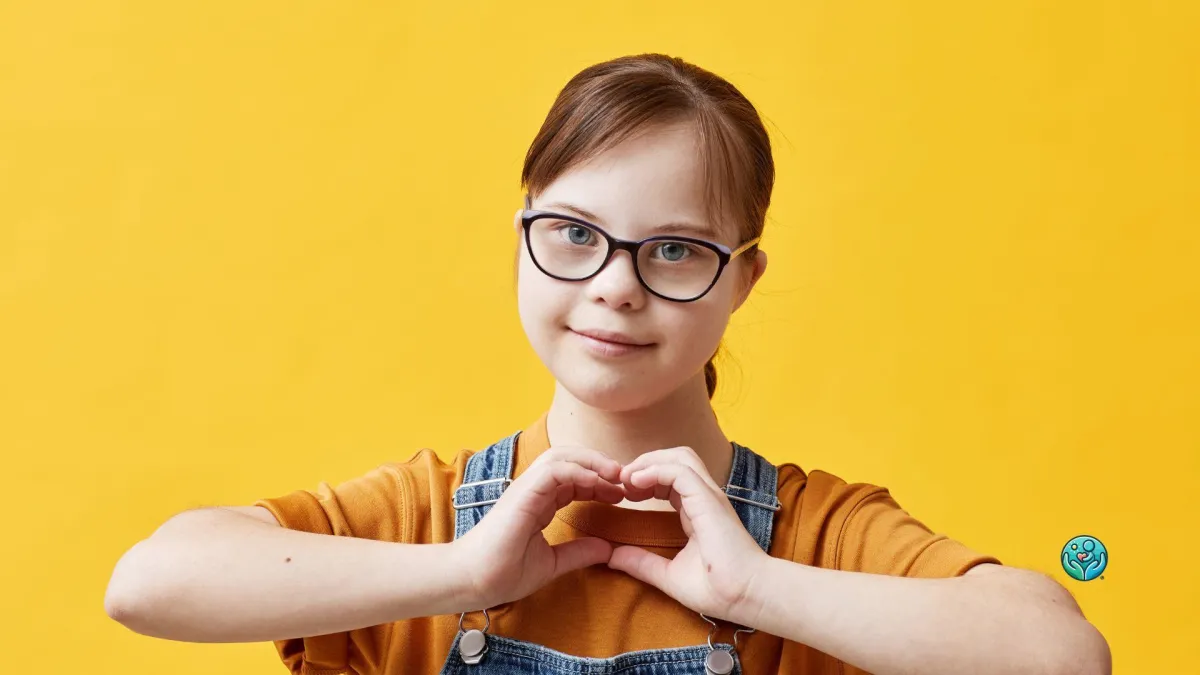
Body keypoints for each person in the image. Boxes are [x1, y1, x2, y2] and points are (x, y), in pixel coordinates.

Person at [105, 53, 1111, 675]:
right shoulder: (426, 516)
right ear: (523, 239)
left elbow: (1063, 657)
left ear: (743, 279)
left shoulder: (819, 536)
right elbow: (148, 584)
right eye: (576, 235)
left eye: (675, 249)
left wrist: (759, 592)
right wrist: (463, 570)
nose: (617, 286)